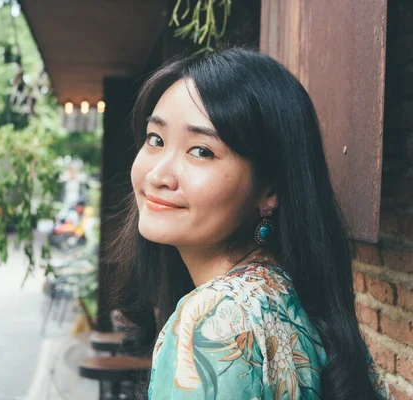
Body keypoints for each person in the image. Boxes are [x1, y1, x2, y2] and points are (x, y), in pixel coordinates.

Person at [110, 49, 390, 399]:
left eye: (201, 151)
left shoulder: (214, 321)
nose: (157, 175)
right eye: (156, 139)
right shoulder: (295, 298)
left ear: (270, 189)